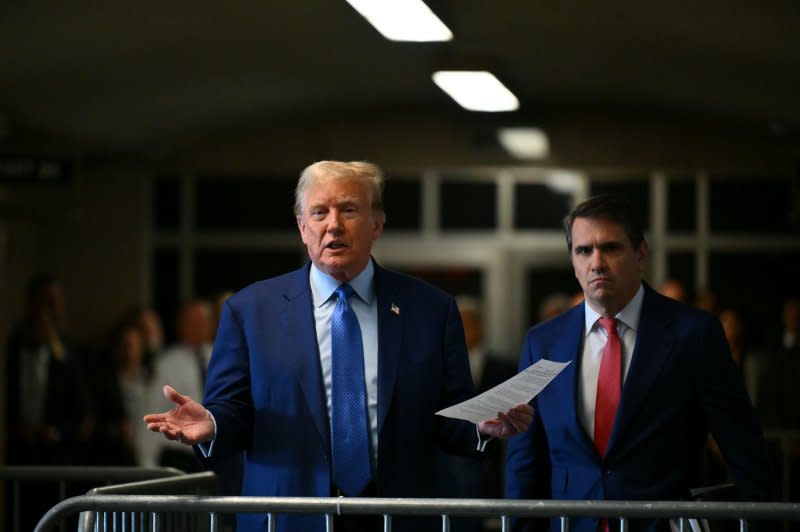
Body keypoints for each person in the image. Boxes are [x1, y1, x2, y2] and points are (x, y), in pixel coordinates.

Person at [145, 160, 532, 532]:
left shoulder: (431, 310)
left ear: (377, 224)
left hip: (396, 517)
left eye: (348, 210)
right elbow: (235, 411)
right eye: (318, 213)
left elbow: (449, 418)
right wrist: (211, 424)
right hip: (289, 518)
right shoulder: (249, 311)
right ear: (301, 227)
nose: (333, 225)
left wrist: (480, 426)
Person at [504, 195, 774, 532]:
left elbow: (742, 445)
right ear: (573, 261)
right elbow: (524, 460)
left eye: (611, 248)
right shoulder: (543, 341)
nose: (596, 262)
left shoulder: (693, 333)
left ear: (641, 254)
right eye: (584, 251)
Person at [146, 299, 214, 471]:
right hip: (178, 456)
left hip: (214, 453)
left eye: (203, 322)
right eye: (192, 323)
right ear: (181, 326)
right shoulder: (166, 363)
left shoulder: (220, 356)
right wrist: (146, 463)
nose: (198, 328)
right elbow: (149, 411)